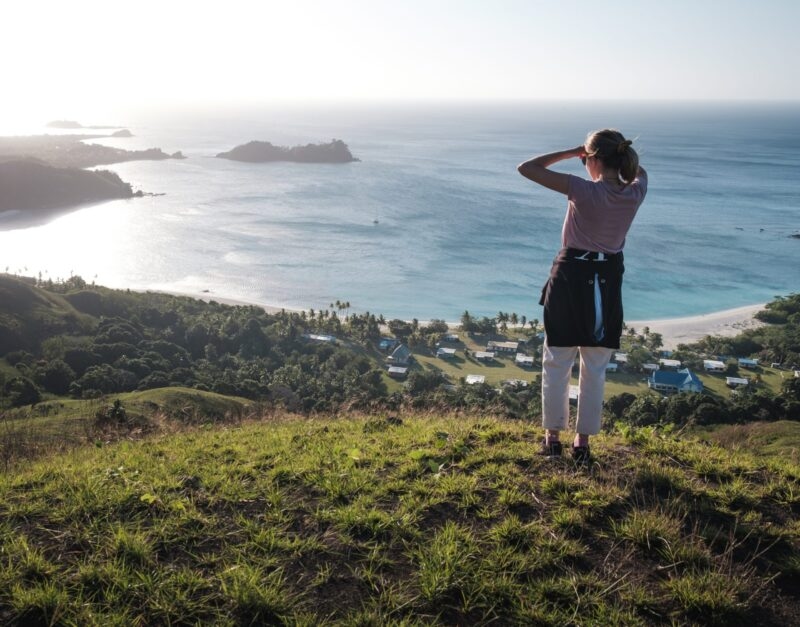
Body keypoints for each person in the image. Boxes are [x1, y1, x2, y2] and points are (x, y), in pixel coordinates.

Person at [517, 129, 647, 462]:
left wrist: (570, 152)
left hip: (571, 278)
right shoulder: (636, 192)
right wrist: (595, 154)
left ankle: (552, 438)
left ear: (592, 159)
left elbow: (527, 168)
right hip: (607, 283)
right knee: (595, 366)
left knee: (557, 360)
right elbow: (638, 170)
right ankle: (583, 443)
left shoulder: (582, 190)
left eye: (586, 159)